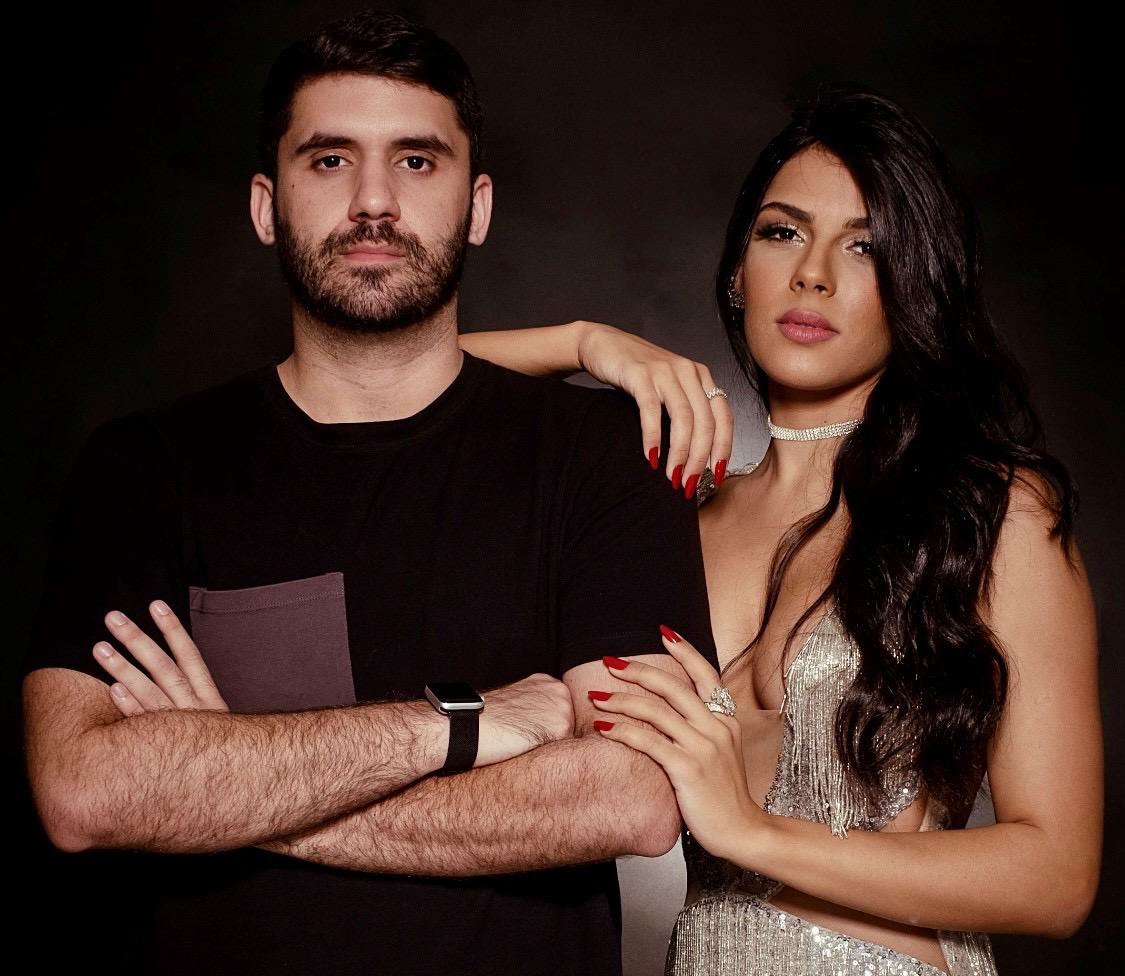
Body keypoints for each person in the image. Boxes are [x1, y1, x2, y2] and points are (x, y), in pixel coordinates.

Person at [19, 11, 717, 976]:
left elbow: (631, 797)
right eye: (330, 160)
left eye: (417, 161)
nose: (375, 202)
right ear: (266, 205)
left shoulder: (601, 456)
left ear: (477, 206)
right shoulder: (143, 467)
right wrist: (461, 723)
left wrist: (223, 779)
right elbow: (83, 791)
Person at [459, 87, 1104, 973]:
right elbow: (388, 392)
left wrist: (749, 832)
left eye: (864, 246)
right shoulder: (666, 517)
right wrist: (583, 342)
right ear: (736, 269)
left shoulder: (991, 512)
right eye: (781, 232)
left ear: (913, 284)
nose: (813, 275)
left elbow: (1056, 878)